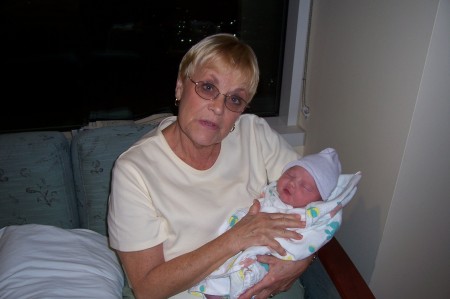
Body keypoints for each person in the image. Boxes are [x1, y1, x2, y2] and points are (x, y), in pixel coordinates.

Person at [107, 33, 314, 299]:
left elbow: (320, 202)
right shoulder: (134, 171)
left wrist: (302, 261)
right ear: (180, 87)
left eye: (235, 99)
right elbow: (148, 288)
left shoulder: (255, 135)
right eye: (207, 87)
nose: (218, 108)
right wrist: (236, 238)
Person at [189, 148, 362, 299]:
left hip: (265, 260)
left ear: (319, 201)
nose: (293, 183)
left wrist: (299, 256)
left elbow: (310, 240)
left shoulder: (308, 217)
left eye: (305, 187)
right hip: (233, 245)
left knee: (244, 280)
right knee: (215, 278)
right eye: (290, 175)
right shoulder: (271, 194)